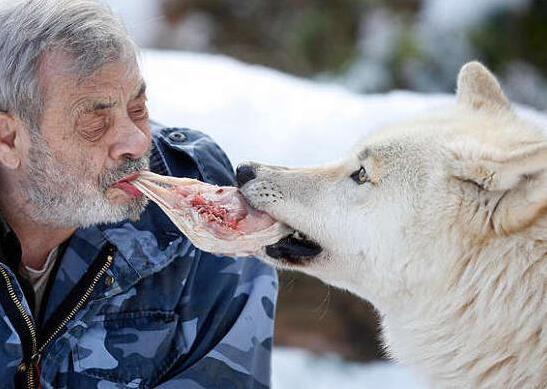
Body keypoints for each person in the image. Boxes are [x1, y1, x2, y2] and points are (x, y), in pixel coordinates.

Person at [0, 1, 277, 388]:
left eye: (138, 107)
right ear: (8, 138)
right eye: (95, 121)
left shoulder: (194, 207)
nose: (135, 141)